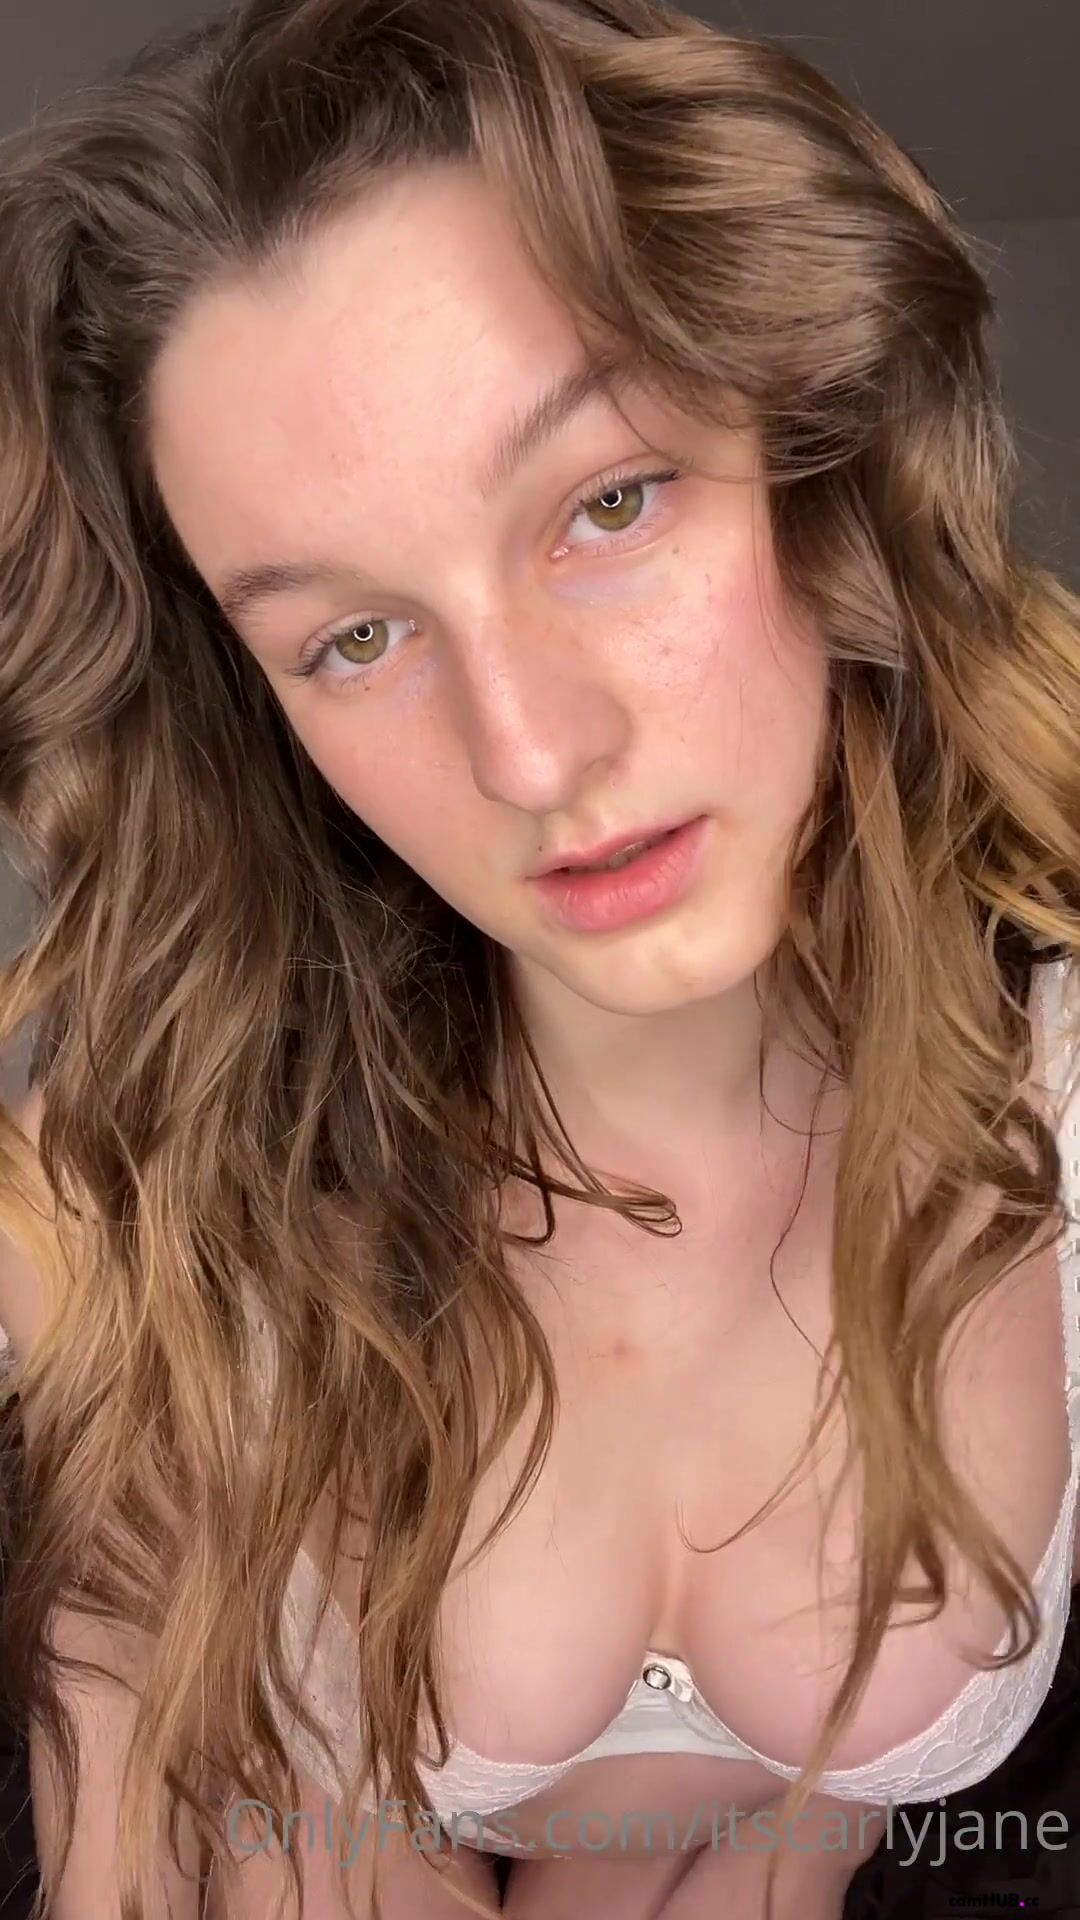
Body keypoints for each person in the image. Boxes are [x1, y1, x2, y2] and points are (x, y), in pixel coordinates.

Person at [0, 0, 1077, 1915]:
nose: (527, 752)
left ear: (812, 448)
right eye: (353, 638)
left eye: (605, 504)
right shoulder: (147, 1224)